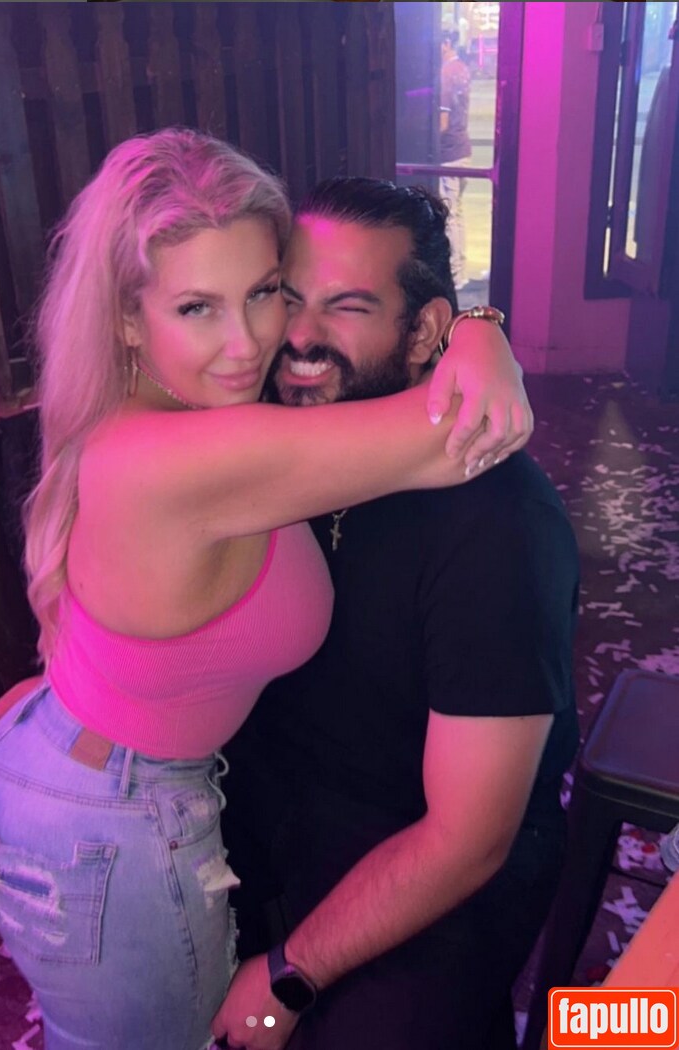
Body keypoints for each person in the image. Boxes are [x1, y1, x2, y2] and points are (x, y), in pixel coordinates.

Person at [0, 128, 531, 1050]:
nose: (252, 341)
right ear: (127, 319)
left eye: (264, 292)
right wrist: (482, 325)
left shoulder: (183, 397)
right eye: (197, 307)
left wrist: (92, 686)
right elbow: (466, 428)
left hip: (71, 765)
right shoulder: (188, 455)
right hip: (109, 826)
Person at [214, 178, 580, 1050]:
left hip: (430, 863)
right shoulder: (268, 435)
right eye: (289, 298)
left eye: (347, 307)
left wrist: (288, 976)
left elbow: (467, 839)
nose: (300, 336)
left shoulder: (500, 523)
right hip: (274, 814)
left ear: (422, 333)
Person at [439, 27, 472, 291]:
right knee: (457, 214)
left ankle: (455, 275)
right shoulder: (462, 68)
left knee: (449, 215)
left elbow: (442, 122)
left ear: (446, 43)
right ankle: (461, 269)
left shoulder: (445, 73)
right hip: (463, 149)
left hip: (449, 152)